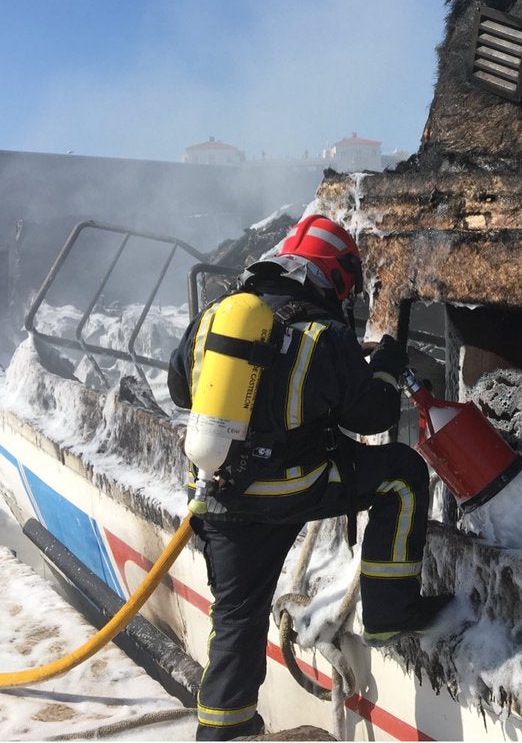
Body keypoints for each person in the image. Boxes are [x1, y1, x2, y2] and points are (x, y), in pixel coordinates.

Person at [167, 214, 452, 741]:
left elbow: (181, 392)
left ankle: (224, 730)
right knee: (403, 474)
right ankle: (391, 611)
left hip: (220, 499)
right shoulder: (326, 333)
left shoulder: (214, 318)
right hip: (296, 489)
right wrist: (386, 366)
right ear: (331, 281)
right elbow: (370, 419)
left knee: (237, 619)